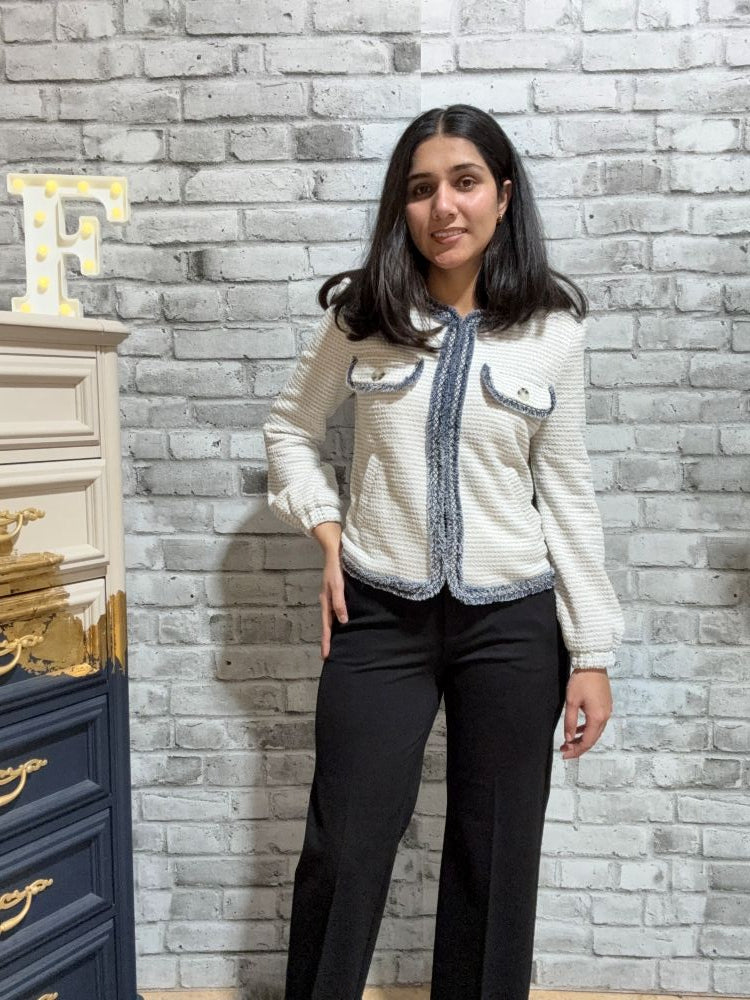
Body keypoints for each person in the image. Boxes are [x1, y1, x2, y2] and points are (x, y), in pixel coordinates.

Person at [262, 103, 625, 1000]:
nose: (443, 207)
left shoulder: (553, 332)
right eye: (421, 189)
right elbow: (292, 429)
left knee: (495, 861)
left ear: (502, 194)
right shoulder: (364, 317)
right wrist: (327, 530)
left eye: (464, 183)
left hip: (513, 623)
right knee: (344, 848)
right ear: (404, 205)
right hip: (378, 613)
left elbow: (567, 491)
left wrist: (591, 652)